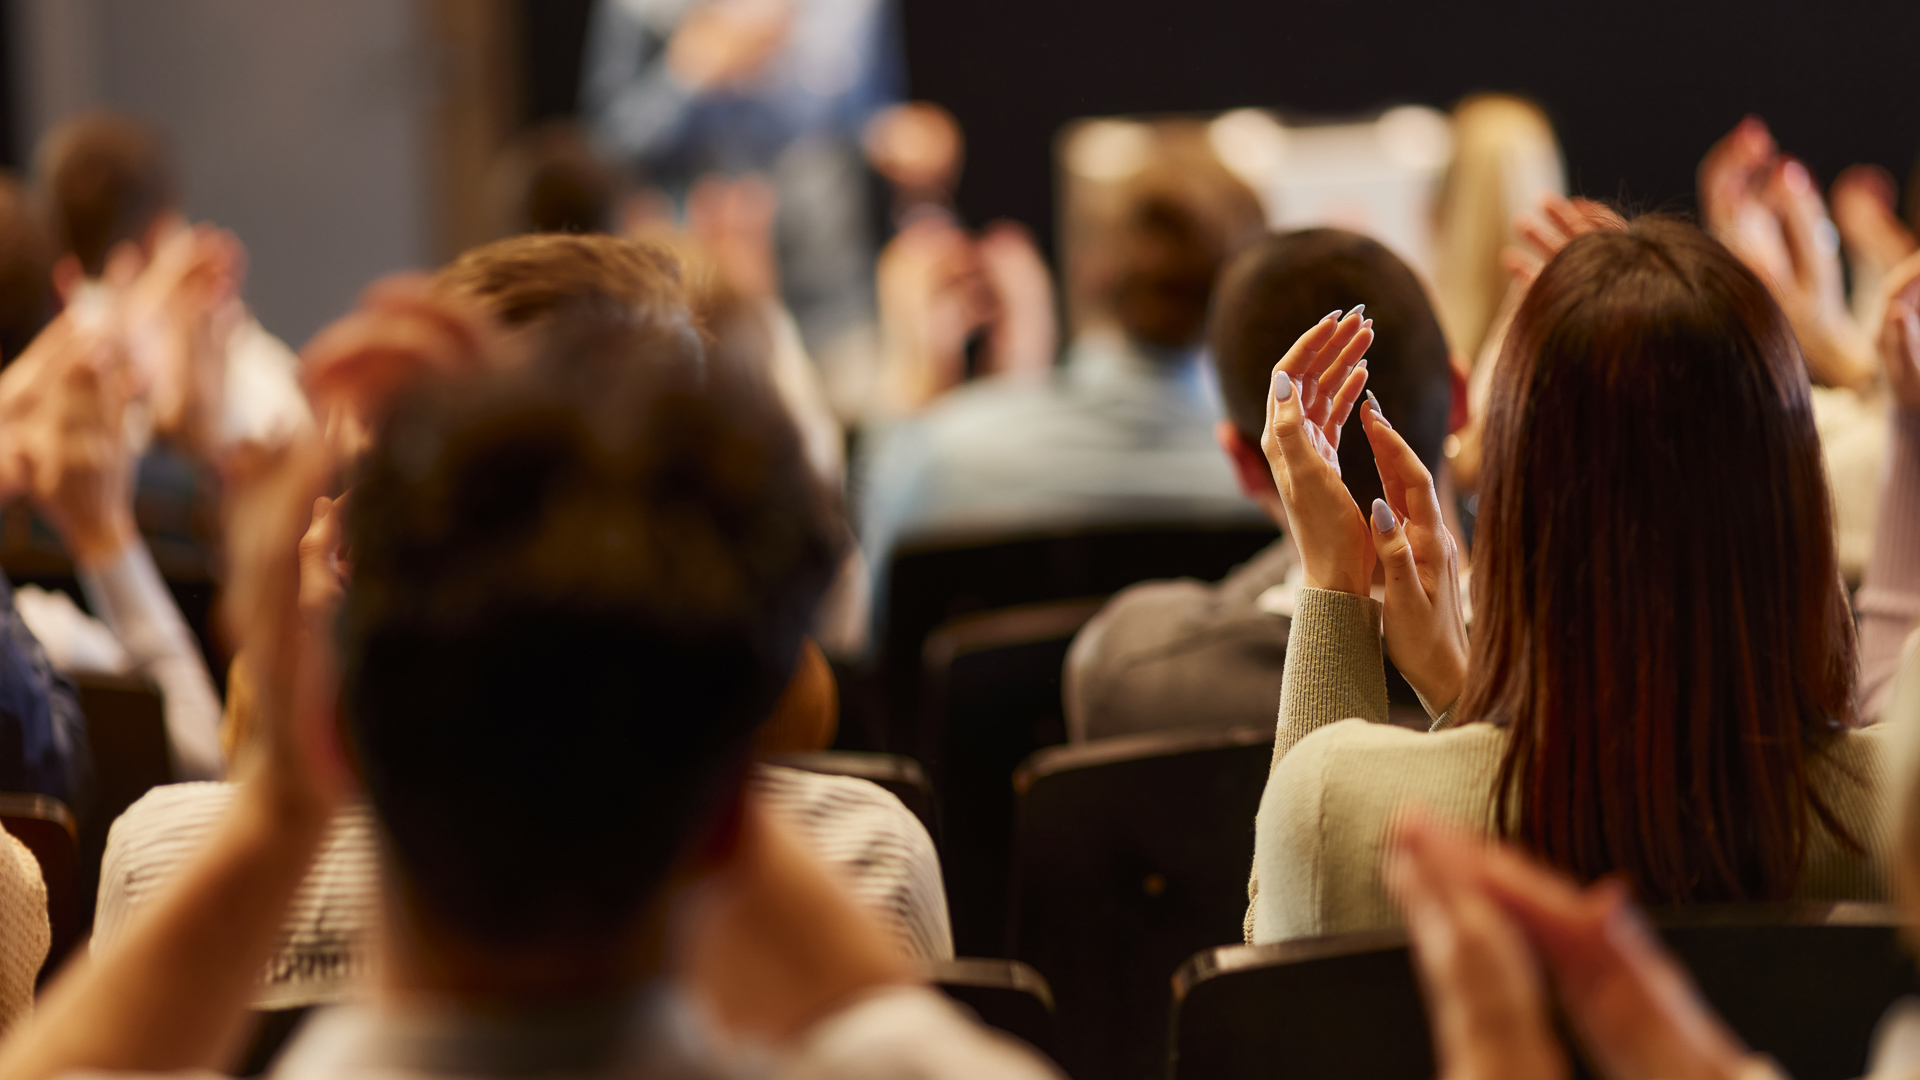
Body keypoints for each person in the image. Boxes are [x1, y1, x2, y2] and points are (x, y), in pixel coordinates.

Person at [0, 279, 1055, 1078]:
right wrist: (687, 712)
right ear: (724, 807)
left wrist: (285, 803)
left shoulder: (170, 856)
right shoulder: (870, 994)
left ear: (341, 727)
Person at [1247, 214, 1902, 944]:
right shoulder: (1897, 818)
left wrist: (1335, 580)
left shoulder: (1345, 816)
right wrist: (1460, 693)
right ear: (1799, 501)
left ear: (1515, 513)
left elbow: (1281, 951)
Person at [1064, 228, 1461, 742]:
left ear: (1245, 462)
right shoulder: (1555, 664)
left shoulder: (1133, 676)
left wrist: (1329, 543)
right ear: (1462, 399)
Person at [857, 154, 1269, 611]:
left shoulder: (943, 457)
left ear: (1085, 273)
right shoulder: (1283, 488)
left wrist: (914, 372)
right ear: (1251, 295)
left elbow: (873, 619)